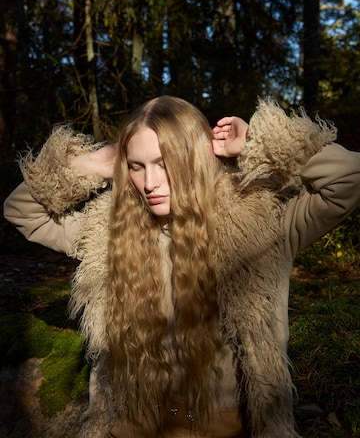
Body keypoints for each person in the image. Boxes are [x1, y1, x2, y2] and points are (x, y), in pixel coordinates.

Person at [3, 96, 360, 438]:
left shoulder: (263, 217)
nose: (150, 183)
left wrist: (259, 141)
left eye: (164, 163)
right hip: (129, 424)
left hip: (223, 426)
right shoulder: (108, 227)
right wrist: (92, 164)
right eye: (136, 166)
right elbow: (20, 211)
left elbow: (348, 178)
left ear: (198, 157)